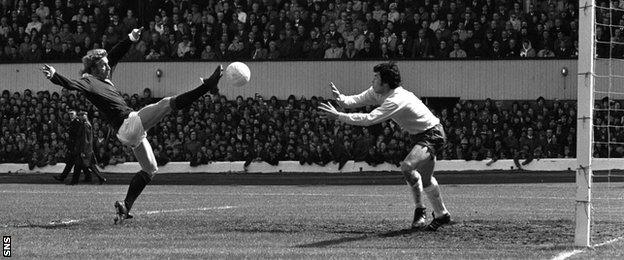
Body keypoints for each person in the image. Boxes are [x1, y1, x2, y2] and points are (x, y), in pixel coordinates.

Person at [41, 27, 224, 224]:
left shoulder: (103, 76)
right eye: (103, 65)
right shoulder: (89, 81)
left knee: (150, 169)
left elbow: (115, 55)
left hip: (128, 131)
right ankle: (207, 86)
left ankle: (125, 206)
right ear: (93, 69)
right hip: (128, 123)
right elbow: (72, 85)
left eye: (107, 65)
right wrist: (54, 76)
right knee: (166, 104)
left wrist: (130, 38)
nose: (108, 67)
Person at [318, 62, 451, 231]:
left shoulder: (396, 100)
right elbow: (354, 101)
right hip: (420, 135)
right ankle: (442, 214)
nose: (372, 80)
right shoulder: (377, 92)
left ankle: (420, 210)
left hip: (433, 134)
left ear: (385, 83)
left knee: (407, 166)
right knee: (426, 180)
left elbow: (369, 119)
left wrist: (338, 116)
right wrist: (341, 99)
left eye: (376, 77)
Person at [73, 112, 107, 185]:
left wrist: (83, 151)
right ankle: (99, 178)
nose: (80, 117)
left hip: (85, 149)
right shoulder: (87, 124)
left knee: (82, 164)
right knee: (89, 165)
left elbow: (85, 139)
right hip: (87, 149)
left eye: (82, 115)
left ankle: (74, 181)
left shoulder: (85, 125)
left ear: (85, 116)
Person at [54, 110, 81, 183]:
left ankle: (64, 177)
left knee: (74, 163)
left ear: (75, 115)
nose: (71, 115)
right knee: (71, 163)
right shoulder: (73, 122)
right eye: (70, 114)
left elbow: (76, 134)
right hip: (73, 146)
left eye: (72, 114)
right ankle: (63, 177)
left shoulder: (76, 122)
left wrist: (69, 134)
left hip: (75, 146)